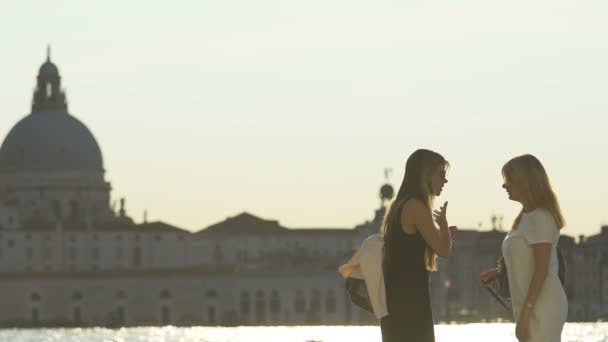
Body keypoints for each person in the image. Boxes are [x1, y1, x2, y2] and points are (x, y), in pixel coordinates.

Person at [480, 154, 568, 341]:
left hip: (542, 306)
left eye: (508, 180)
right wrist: (498, 272)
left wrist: (526, 315)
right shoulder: (526, 218)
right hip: (530, 304)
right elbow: (526, 258)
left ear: (525, 182)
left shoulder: (541, 217)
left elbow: (542, 270)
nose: (504, 185)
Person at [381, 149, 457, 342]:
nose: (445, 181)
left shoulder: (400, 205)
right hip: (410, 302)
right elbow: (444, 250)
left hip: (396, 300)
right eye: (441, 175)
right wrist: (445, 226)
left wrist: (442, 233)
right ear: (426, 175)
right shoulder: (416, 206)